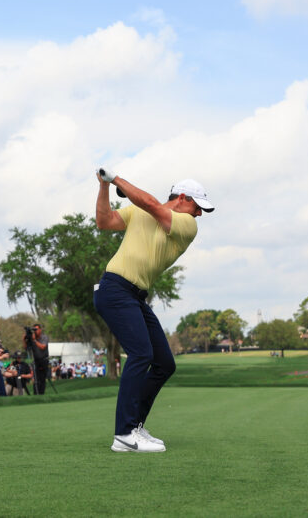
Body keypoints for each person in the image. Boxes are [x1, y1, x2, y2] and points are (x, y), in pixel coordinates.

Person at [94, 168, 213, 453]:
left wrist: (116, 179)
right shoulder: (139, 211)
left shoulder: (187, 225)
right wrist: (105, 186)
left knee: (164, 363)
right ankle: (124, 434)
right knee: (141, 354)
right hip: (114, 289)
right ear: (182, 198)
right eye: (197, 207)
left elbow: (150, 204)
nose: (199, 214)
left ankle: (134, 425)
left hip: (135, 296)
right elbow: (104, 221)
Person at [24, 324, 50, 395]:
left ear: (40, 330)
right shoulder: (32, 338)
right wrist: (24, 340)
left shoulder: (44, 337)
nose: (35, 331)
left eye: (36, 329)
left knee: (42, 379)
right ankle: (36, 394)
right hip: (36, 361)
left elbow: (43, 347)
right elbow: (26, 348)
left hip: (44, 360)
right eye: (34, 330)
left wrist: (34, 340)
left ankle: (41, 394)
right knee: (36, 378)